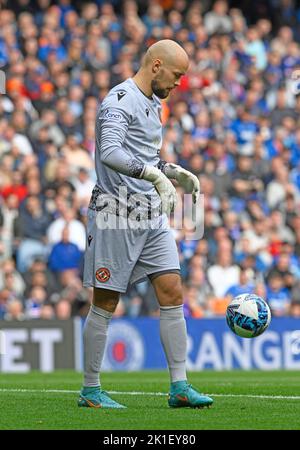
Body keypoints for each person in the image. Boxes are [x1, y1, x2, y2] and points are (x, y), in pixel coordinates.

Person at [78, 39, 213, 409]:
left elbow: (145, 157)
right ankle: (90, 389)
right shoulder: (118, 101)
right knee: (105, 301)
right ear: (156, 65)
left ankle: (180, 386)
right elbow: (110, 152)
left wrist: (173, 171)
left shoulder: (153, 105)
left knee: (172, 291)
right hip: (114, 215)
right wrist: (155, 176)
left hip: (151, 215)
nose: (179, 83)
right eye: (177, 75)